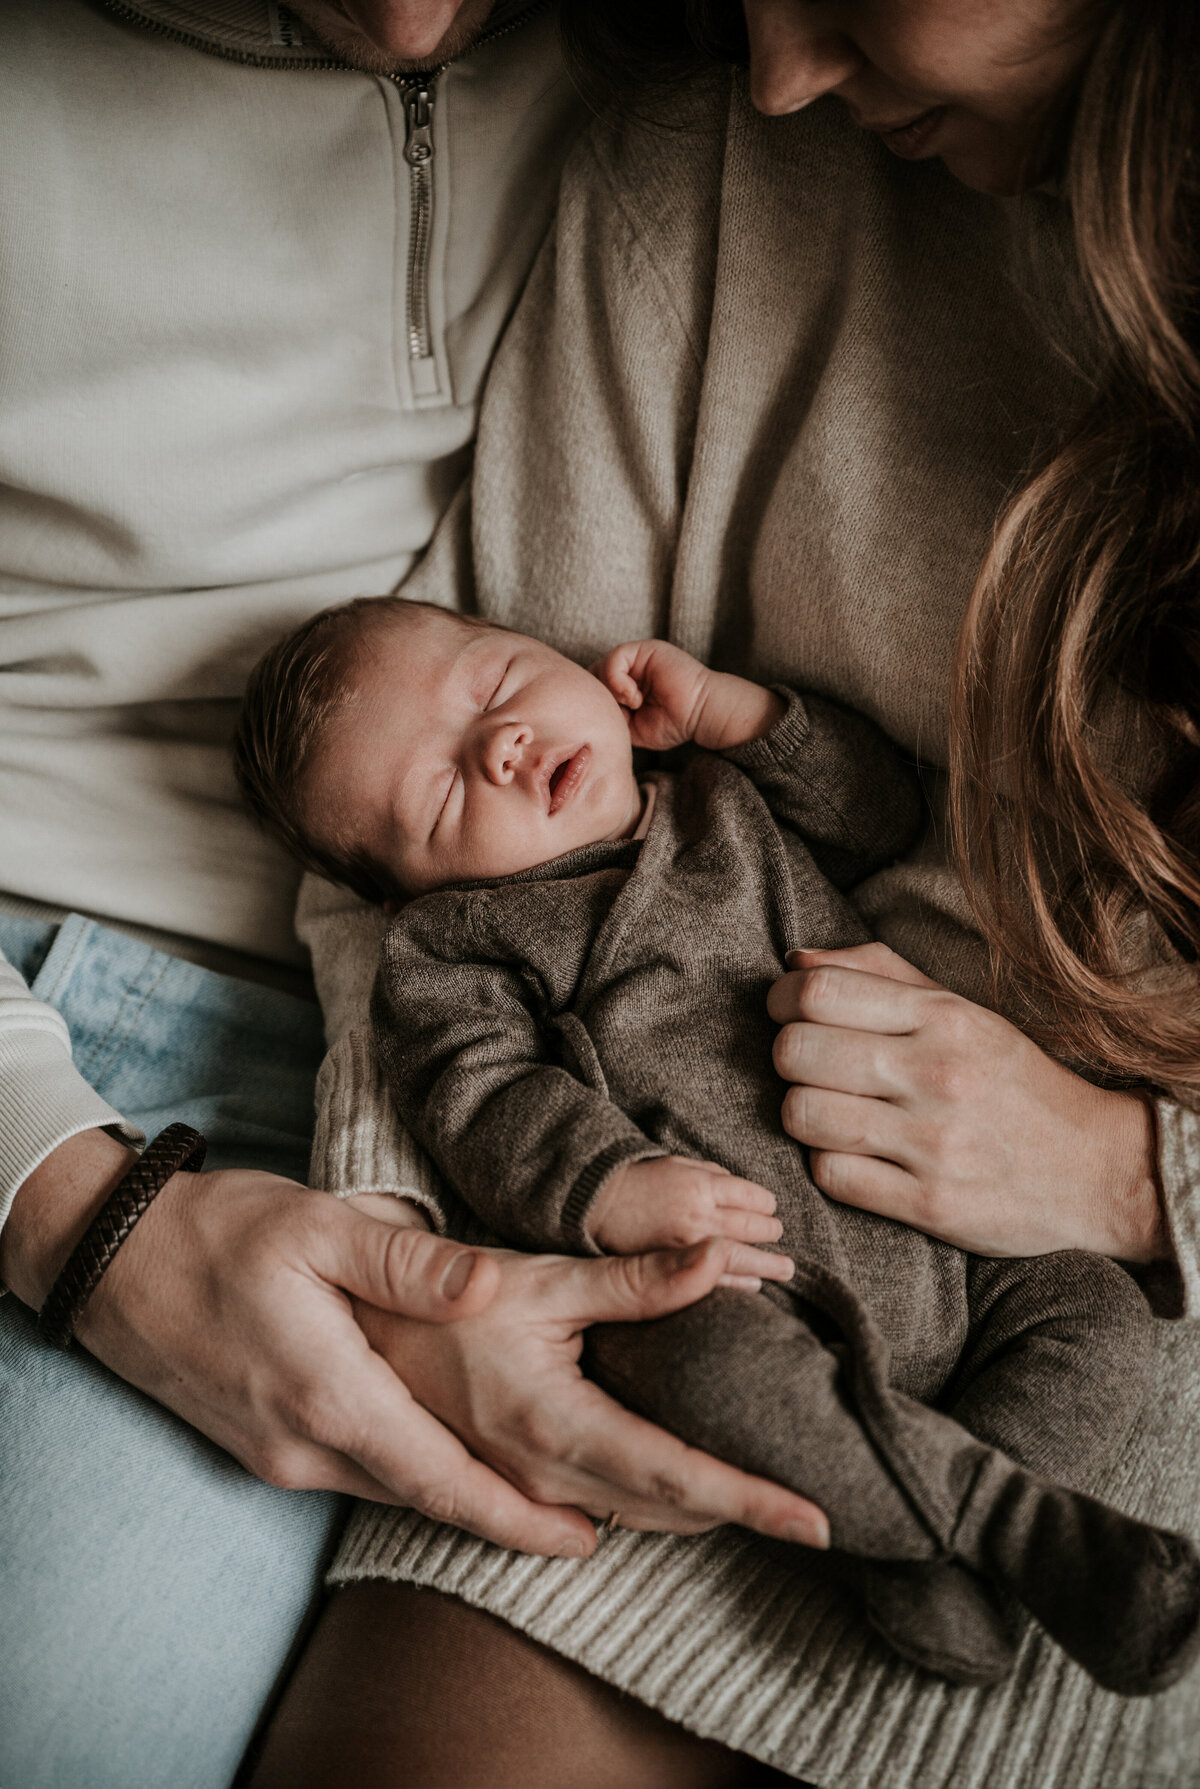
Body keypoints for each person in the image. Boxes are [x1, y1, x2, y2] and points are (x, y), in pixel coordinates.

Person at [246, 0, 1200, 1784]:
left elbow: (829, 775)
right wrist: (437, 1296)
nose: (773, 69)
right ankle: (947, 1528)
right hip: (673, 1320)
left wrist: (1137, 1175)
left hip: (1135, 1306)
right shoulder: (696, 175)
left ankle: (1006, 1533)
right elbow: (405, 940)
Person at [0, 5, 831, 1787]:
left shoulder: (742, 60)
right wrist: (70, 1198)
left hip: (437, 1031)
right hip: (49, 998)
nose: (405, 21)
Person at [235, 591, 1198, 1695]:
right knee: (690, 1362)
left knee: (1100, 1309)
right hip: (744, 1272)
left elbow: (879, 814)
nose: (500, 745)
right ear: (407, 889)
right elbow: (482, 1099)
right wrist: (611, 1184)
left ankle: (943, 1555)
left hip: (960, 1238)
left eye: (498, 684)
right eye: (445, 788)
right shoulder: (455, 950)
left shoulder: (717, 788)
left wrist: (745, 716)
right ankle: (1019, 1530)